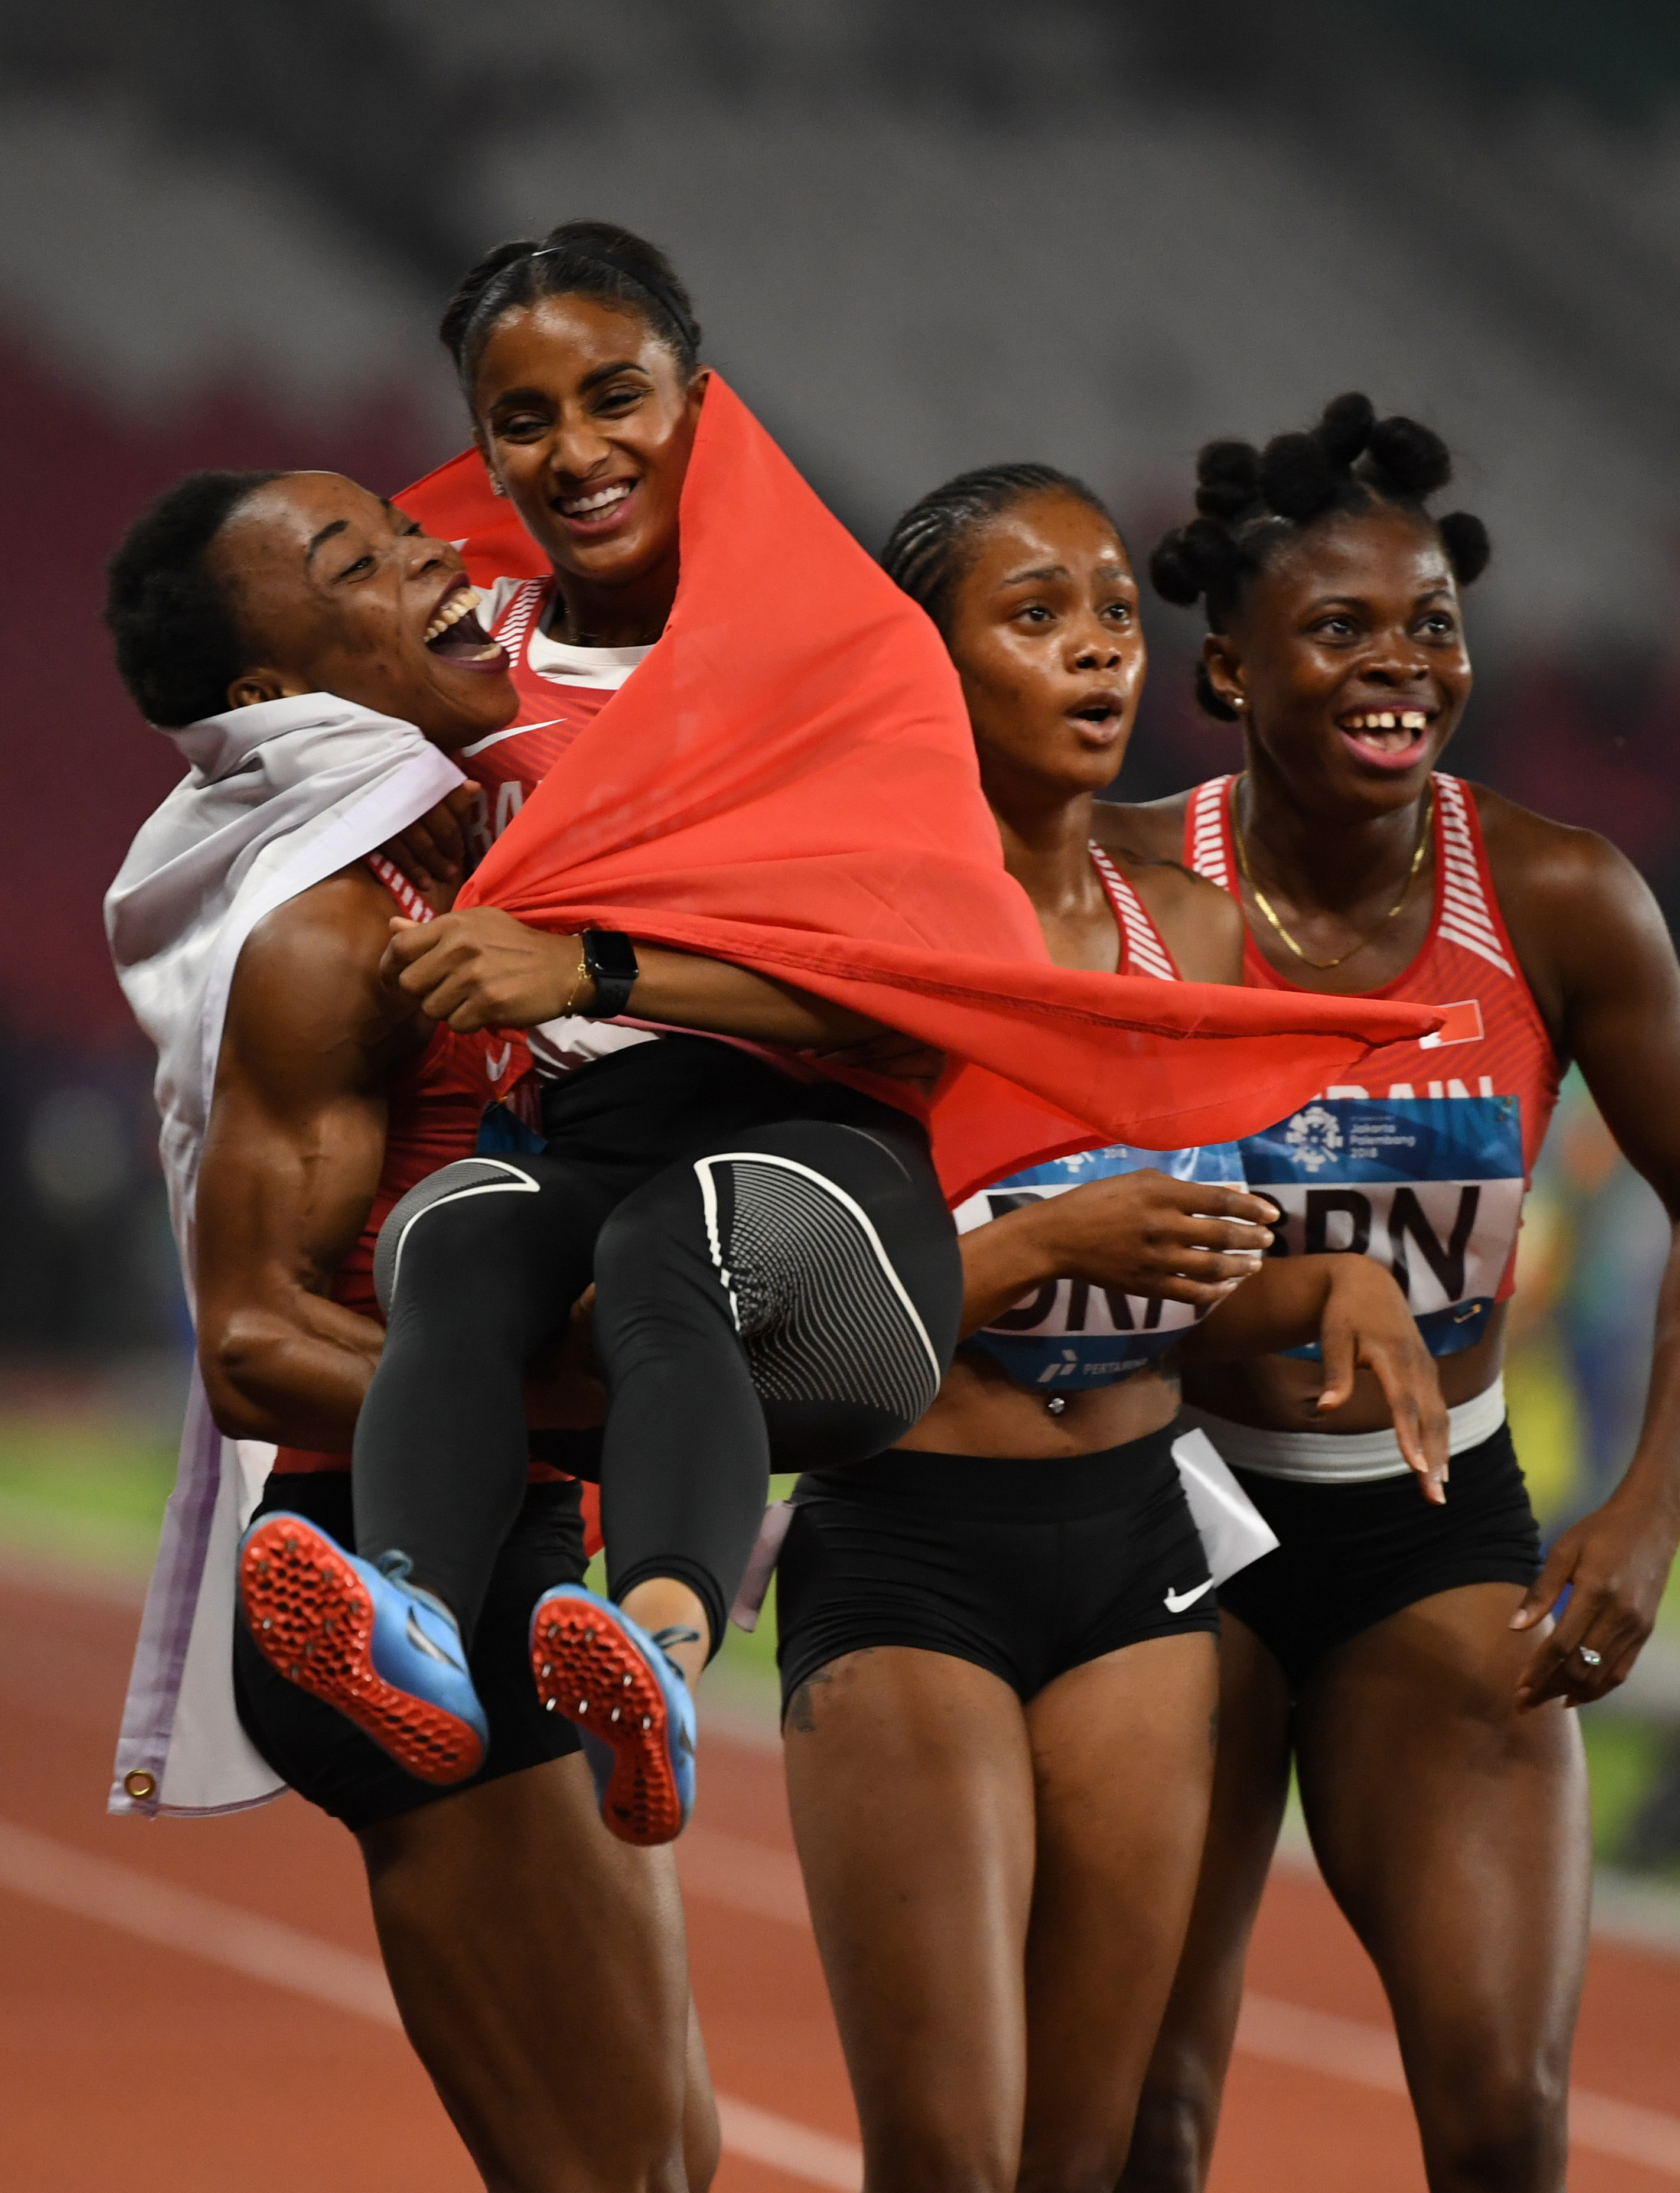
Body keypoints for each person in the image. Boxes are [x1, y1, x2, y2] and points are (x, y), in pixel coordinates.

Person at [276, 228, 1436, 1856]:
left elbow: (916, 996)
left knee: (680, 1241)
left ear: (700, 401)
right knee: (451, 1236)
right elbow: (267, 740)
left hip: (821, 1157)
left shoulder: (849, 659)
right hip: (592, 1150)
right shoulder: (469, 669)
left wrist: (588, 965)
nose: (577, 451)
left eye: (615, 397)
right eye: (522, 420)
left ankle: (660, 1648)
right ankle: (412, 1617)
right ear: (481, 446)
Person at [103, 465, 932, 2189]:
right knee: (617, 2173)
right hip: (400, 1563)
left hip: (522, 1561)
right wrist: (631, 1406)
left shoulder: (480, 861)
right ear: (275, 695)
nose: (434, 560)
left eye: (407, 530)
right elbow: (251, 1342)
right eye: (361, 561)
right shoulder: (330, 927)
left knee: (662, 2157)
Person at [774, 463, 1448, 2193]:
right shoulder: (846, 944)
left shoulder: (1197, 934)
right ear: (925, 666)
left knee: (1086, 2159)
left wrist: (1330, 1285)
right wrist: (1039, 1244)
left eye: (1112, 615)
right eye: (1034, 617)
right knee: (948, 2160)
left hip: (1138, 1545)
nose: (1097, 652)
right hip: (912, 1549)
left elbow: (1189, 1284)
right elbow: (784, 1337)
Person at [1107, 396, 1680, 2193]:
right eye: (1340, 626)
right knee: (1138, 2124)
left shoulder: (1558, 897)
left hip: (1431, 1530)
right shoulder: (1127, 886)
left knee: (1505, 2119)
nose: (1401, 664)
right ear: (1228, 669)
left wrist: (1648, 1512)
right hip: (1164, 1524)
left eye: (1431, 623)